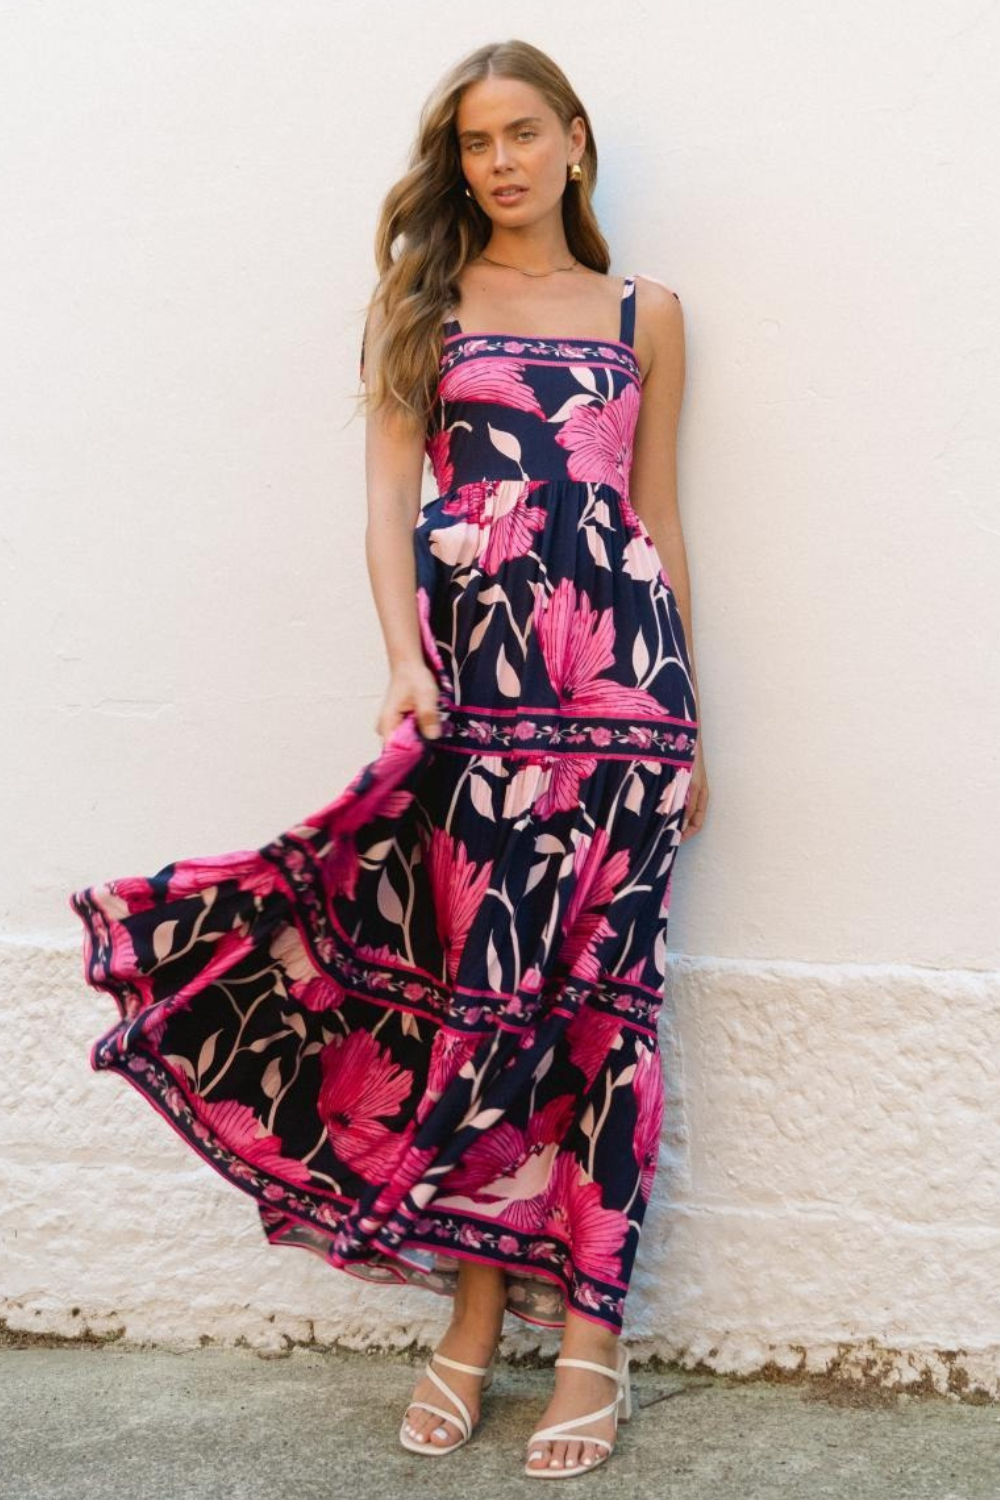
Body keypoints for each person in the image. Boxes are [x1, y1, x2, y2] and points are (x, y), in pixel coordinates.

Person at [69, 36, 708, 1483]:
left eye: (523, 133)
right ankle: (474, 1330)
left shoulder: (647, 313)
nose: (501, 161)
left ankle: (591, 1341)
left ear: (574, 142)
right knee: (486, 1010)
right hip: (481, 721)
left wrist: (695, 723)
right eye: (478, 141)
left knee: (611, 1018)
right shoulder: (424, 310)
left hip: (628, 721)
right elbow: (385, 514)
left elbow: (655, 521)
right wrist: (409, 664)